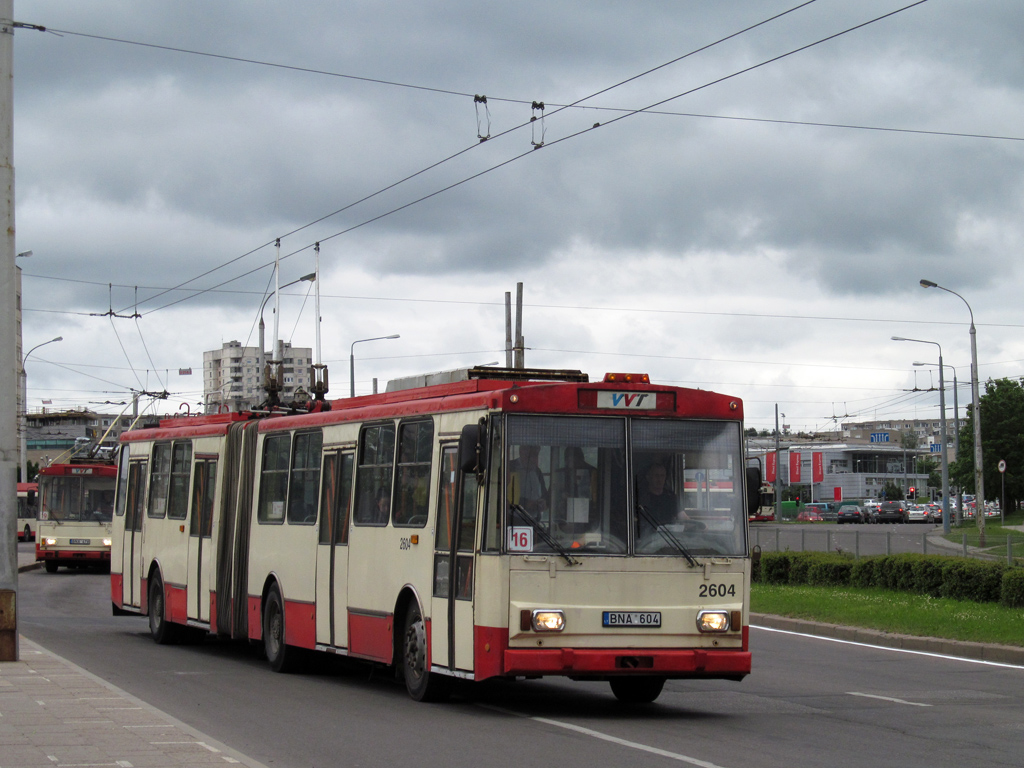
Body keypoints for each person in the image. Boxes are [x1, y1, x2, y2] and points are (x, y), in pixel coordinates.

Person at [637, 461, 681, 529]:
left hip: (669, 536)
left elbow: (681, 515)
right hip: (645, 536)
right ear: (648, 477)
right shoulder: (640, 497)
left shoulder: (671, 496)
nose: (659, 479)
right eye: (656, 475)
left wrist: (698, 526)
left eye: (662, 476)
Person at [509, 444, 548, 514]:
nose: (533, 459)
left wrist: (544, 502)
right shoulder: (509, 468)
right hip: (513, 519)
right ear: (521, 452)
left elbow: (544, 493)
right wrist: (526, 503)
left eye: (535, 455)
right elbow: (502, 496)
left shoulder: (537, 471)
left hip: (535, 520)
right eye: (530, 455)